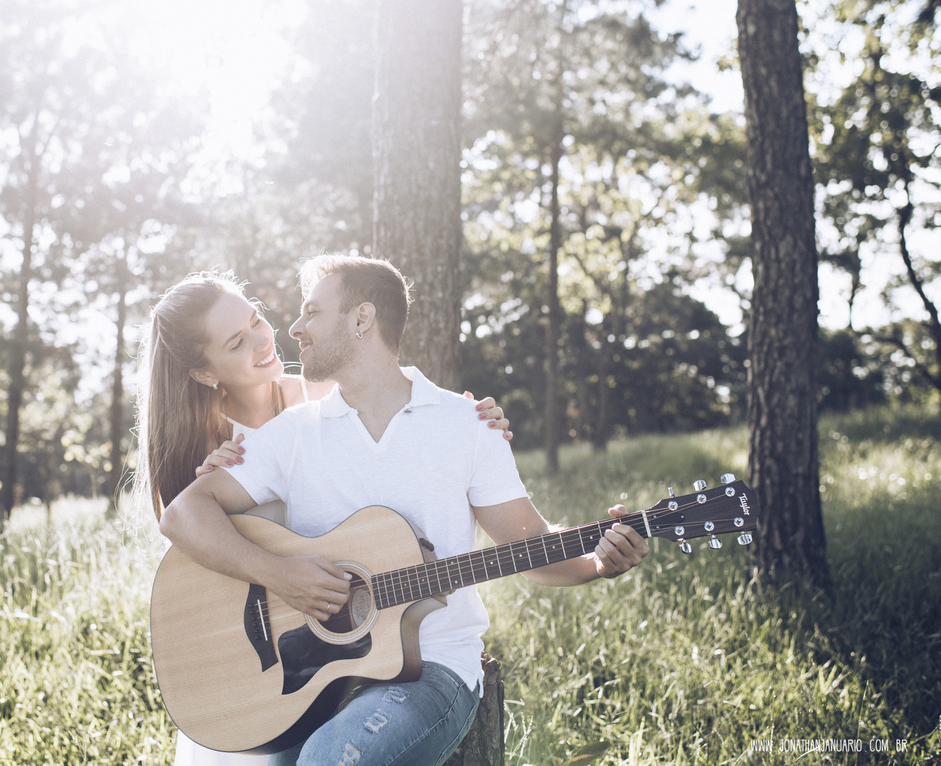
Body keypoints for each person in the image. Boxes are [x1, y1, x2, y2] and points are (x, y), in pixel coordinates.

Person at [159, 255, 650, 766]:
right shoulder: (291, 433)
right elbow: (182, 515)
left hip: (430, 669)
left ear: (361, 319)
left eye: (311, 313)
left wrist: (598, 563)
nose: (293, 328)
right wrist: (282, 575)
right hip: (317, 673)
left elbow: (528, 544)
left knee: (330, 760)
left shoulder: (466, 423)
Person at [138, 270, 512, 766]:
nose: (262, 339)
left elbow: (398, 420)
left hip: (340, 640)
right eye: (236, 341)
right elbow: (188, 537)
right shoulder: (211, 452)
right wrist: (278, 575)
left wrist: (469, 423)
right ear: (206, 373)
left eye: (255, 321)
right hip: (251, 658)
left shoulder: (322, 398)